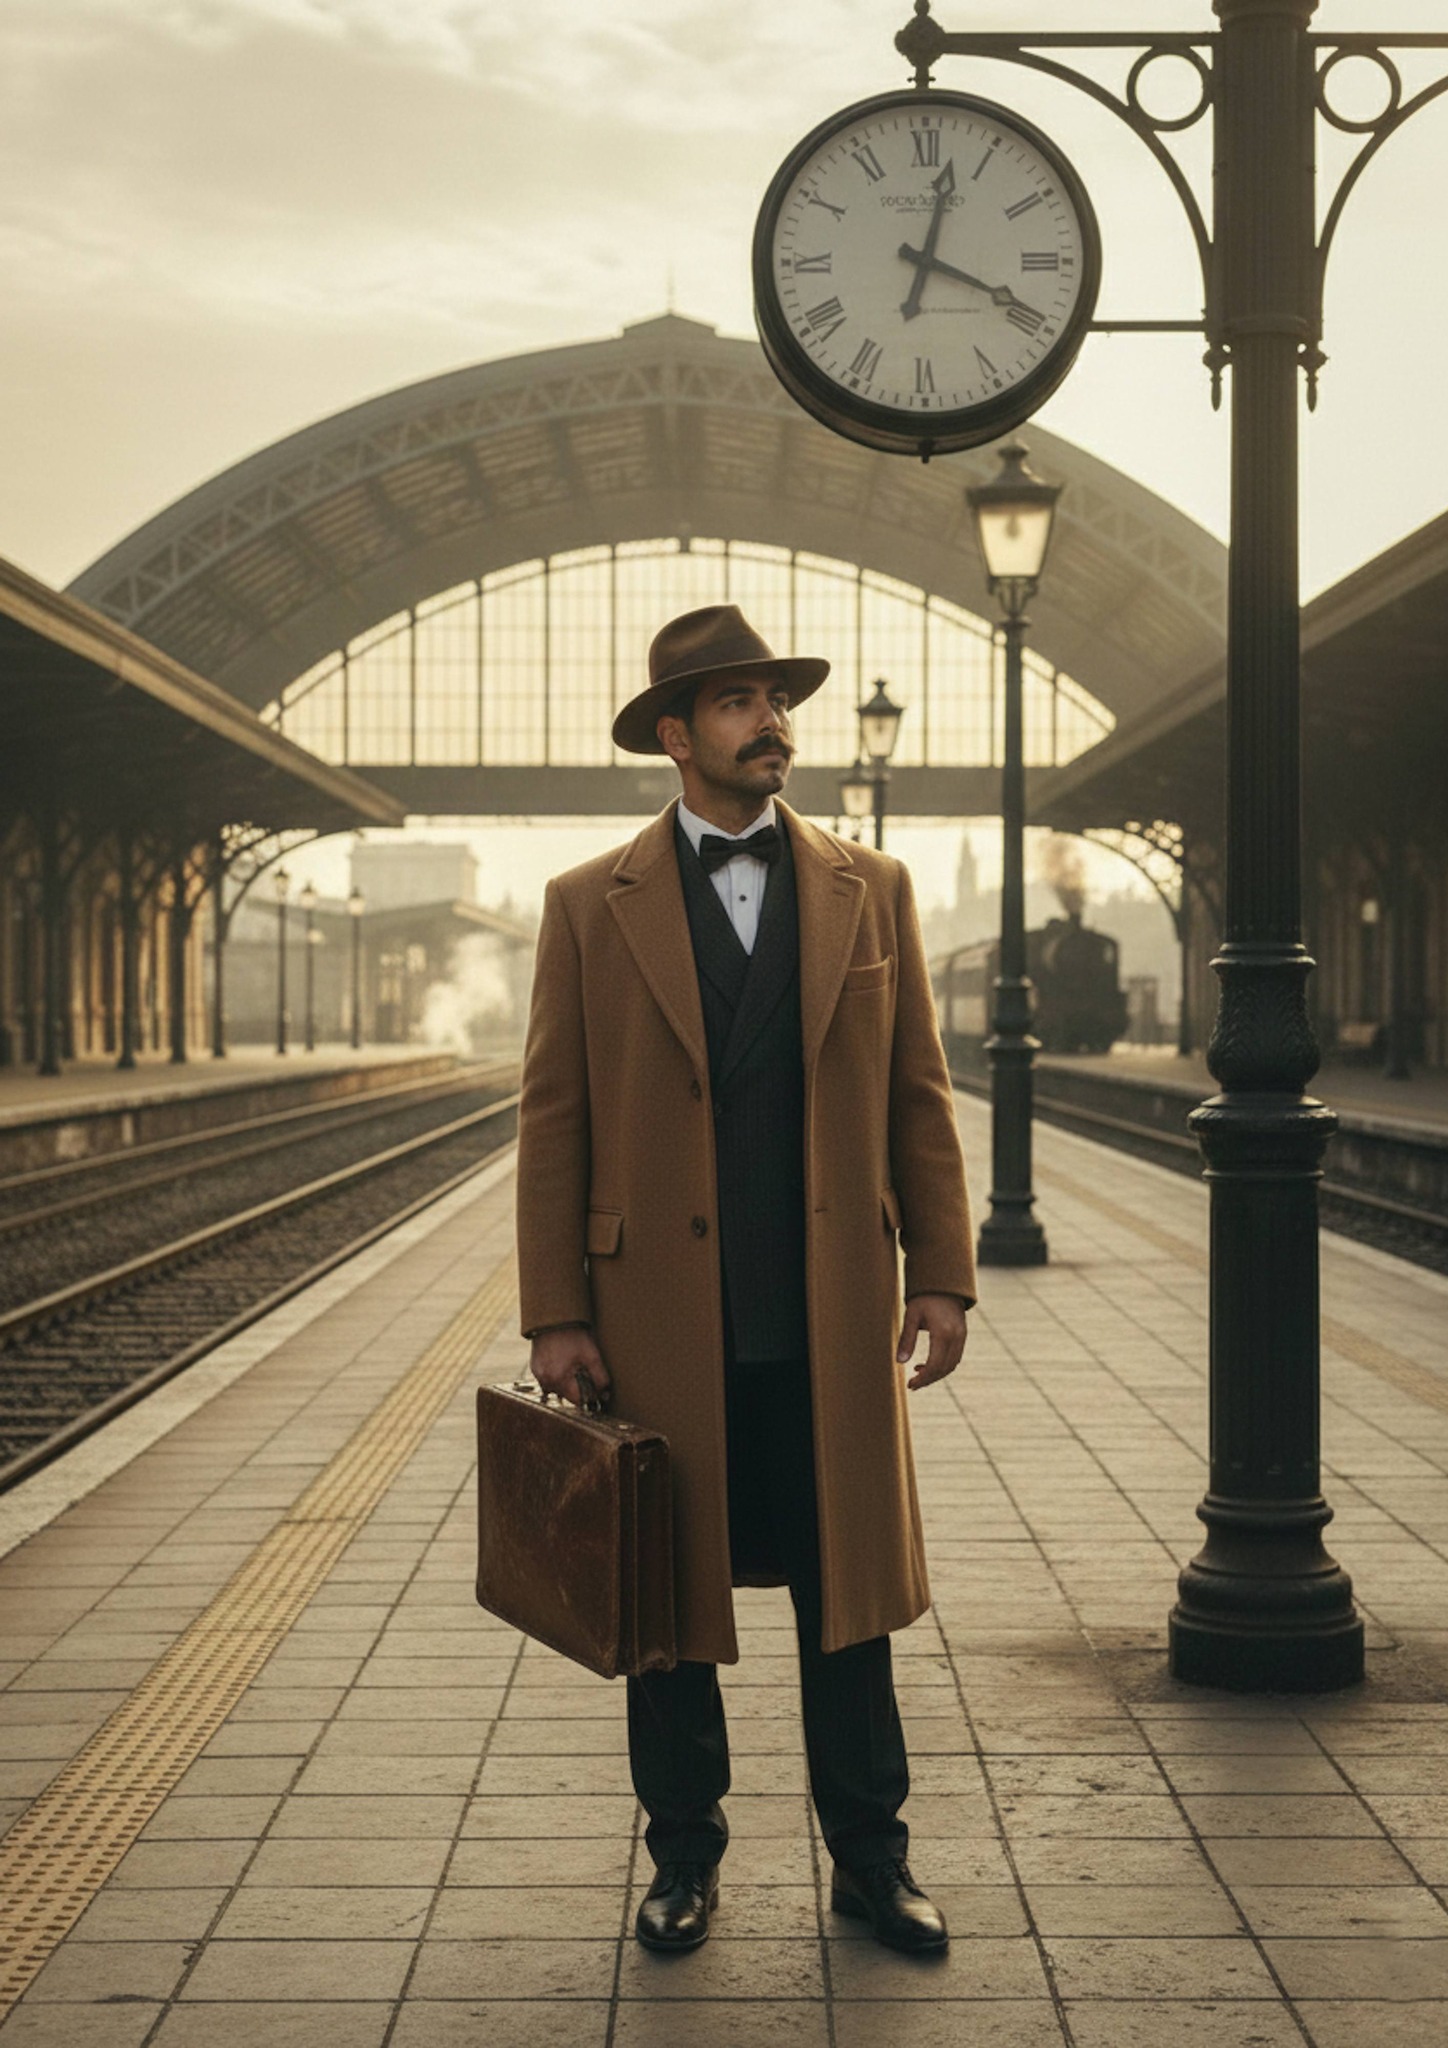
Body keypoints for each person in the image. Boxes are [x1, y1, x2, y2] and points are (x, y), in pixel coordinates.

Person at [517, 603, 976, 1956]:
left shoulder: (869, 888)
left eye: (776, 700)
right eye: (737, 704)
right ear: (675, 736)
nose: (772, 723)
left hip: (831, 1313)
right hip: (659, 1317)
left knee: (854, 1604)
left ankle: (874, 1862)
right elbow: (554, 1118)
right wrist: (557, 1312)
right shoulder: (586, 908)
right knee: (666, 1614)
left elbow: (920, 1097)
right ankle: (685, 1862)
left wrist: (941, 1273)